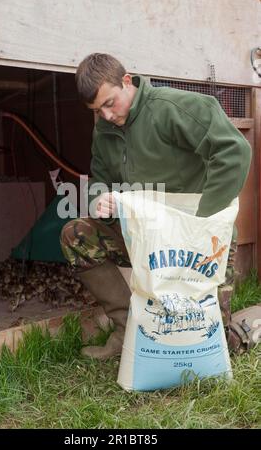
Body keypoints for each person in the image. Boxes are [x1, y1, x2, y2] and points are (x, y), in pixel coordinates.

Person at [61, 53, 252, 359]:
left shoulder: (174, 107)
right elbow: (99, 178)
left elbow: (234, 152)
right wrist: (99, 198)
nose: (107, 116)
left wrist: (201, 220)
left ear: (126, 81)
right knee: (76, 234)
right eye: (98, 111)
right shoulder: (104, 131)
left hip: (198, 238)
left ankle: (238, 328)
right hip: (144, 237)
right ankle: (129, 332)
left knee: (209, 344)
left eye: (110, 103)